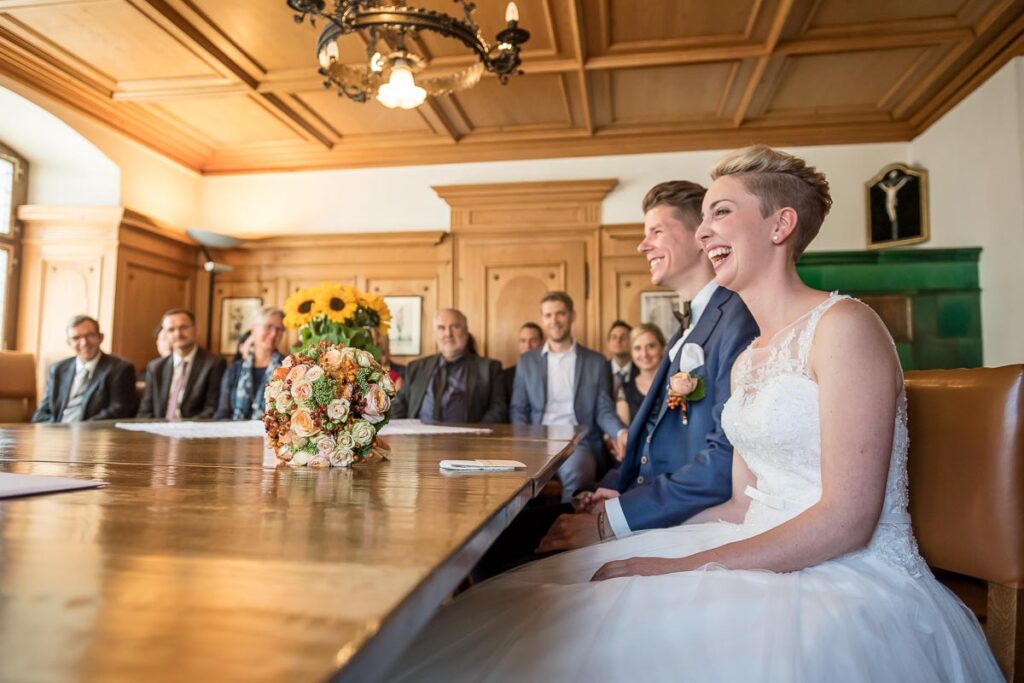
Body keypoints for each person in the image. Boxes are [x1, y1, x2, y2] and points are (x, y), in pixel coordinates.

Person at [386, 147, 1002, 682]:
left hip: (843, 572)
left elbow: (847, 520)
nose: (704, 232)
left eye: (721, 213)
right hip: (747, 534)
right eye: (703, 217)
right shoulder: (748, 358)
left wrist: (676, 565)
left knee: (583, 636)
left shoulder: (844, 327)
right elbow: (739, 502)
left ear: (781, 224)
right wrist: (648, 540)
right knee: (532, 603)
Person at [539, 180, 757, 551]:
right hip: (646, 497)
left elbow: (724, 459)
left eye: (656, 231)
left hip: (686, 521)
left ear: (700, 236)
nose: (643, 245)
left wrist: (618, 517)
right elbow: (654, 431)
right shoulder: (687, 327)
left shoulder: (738, 318)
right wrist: (613, 486)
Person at [510, 292, 625, 501]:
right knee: (514, 481)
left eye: (560, 314)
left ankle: (568, 529)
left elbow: (603, 410)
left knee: (578, 475)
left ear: (572, 315)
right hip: (536, 441)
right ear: (542, 319)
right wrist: (523, 442)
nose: (554, 321)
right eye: (548, 315)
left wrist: (620, 433)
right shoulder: (527, 362)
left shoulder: (596, 362)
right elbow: (519, 409)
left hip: (577, 443)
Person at [391, 308, 506, 423]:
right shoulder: (415, 368)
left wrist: (476, 436)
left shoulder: (489, 369)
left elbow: (498, 411)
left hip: (468, 439)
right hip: (419, 438)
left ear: (466, 331)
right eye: (441, 328)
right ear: (435, 334)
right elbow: (399, 409)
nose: (448, 334)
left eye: (455, 327)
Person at [33, 314, 137, 422]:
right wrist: (60, 430)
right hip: (56, 434)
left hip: (94, 435)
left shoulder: (120, 369)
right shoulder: (57, 369)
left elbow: (118, 411)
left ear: (100, 337)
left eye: (90, 335)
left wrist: (77, 429)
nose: (84, 343)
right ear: (69, 343)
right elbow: (40, 414)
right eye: (76, 338)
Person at [137, 308, 226, 420]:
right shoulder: (155, 367)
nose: (178, 334)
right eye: (171, 330)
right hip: (158, 431)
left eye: (183, 327)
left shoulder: (214, 364)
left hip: (195, 431)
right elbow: (145, 411)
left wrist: (182, 429)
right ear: (165, 334)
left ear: (196, 329)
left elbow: (211, 409)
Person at [214, 307, 286, 420]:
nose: (273, 334)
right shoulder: (235, 369)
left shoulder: (288, 368)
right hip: (235, 434)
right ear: (253, 330)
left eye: (279, 329)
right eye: (268, 327)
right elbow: (222, 413)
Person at [614, 323, 665, 425]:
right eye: (637, 348)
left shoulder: (676, 382)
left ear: (662, 348)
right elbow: (625, 434)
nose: (644, 354)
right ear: (631, 353)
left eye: (651, 346)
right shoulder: (624, 390)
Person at [498, 322, 543, 406]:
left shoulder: (550, 372)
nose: (528, 345)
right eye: (523, 341)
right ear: (519, 344)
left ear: (541, 343)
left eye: (533, 340)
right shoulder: (504, 376)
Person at [605, 320, 635, 394]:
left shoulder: (642, 370)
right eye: (614, 337)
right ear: (609, 343)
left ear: (632, 342)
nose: (618, 341)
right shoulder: (600, 370)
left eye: (624, 337)